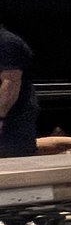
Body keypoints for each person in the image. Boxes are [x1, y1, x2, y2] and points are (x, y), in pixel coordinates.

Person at [0, 23, 37, 157]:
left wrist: (0, 117)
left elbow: (10, 83)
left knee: (12, 162)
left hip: (12, 121)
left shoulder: (7, 42)